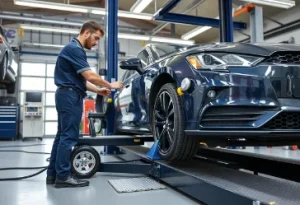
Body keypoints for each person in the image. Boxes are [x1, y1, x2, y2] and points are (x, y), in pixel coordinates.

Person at [46, 20, 123, 188]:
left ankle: (53, 174)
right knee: (69, 137)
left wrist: (99, 90)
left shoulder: (73, 49)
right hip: (70, 96)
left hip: (66, 93)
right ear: (86, 33)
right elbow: (89, 76)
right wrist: (110, 85)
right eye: (95, 38)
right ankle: (63, 176)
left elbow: (81, 80)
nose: (96, 43)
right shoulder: (75, 49)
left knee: (62, 136)